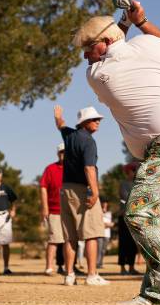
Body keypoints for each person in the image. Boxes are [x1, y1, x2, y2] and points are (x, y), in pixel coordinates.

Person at [74, 2, 160, 305]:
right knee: (159, 219)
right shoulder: (148, 43)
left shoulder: (98, 74)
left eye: (88, 46)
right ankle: (155, 292)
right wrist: (141, 21)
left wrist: (123, 23)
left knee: (138, 213)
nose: (84, 55)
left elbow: (115, 45)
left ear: (106, 43)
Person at [54, 105, 109, 286]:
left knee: (70, 236)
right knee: (92, 234)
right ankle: (92, 275)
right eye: (95, 119)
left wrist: (58, 118)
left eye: (98, 119)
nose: (98, 122)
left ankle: (69, 275)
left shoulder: (70, 136)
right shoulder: (88, 141)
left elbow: (61, 125)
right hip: (82, 189)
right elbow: (89, 168)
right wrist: (95, 191)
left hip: (66, 189)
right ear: (84, 122)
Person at [39, 143, 66, 275]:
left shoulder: (73, 168)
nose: (63, 155)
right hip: (54, 210)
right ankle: (49, 267)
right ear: (58, 154)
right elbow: (43, 187)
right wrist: (45, 207)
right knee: (54, 239)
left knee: (69, 241)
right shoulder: (50, 169)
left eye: (66, 152)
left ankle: (69, 267)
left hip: (69, 211)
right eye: (61, 152)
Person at [118, 163, 140, 275]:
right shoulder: (123, 184)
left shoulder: (138, 184)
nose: (135, 172)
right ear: (128, 172)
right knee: (123, 243)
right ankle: (122, 268)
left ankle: (131, 267)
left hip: (135, 217)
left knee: (132, 243)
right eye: (133, 170)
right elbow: (126, 197)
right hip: (123, 217)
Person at [97, 197, 114, 269]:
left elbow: (112, 223)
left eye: (106, 204)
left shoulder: (109, 213)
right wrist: (105, 224)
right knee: (99, 249)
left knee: (103, 250)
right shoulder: (98, 211)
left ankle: (100, 263)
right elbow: (98, 222)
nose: (105, 205)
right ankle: (97, 263)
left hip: (107, 234)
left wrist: (109, 224)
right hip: (100, 233)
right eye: (104, 204)